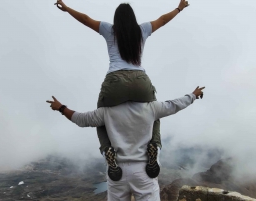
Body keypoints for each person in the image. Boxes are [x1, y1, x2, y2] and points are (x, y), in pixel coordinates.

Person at [54, 0, 190, 181]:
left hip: (114, 82)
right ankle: (154, 146)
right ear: (132, 18)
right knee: (155, 111)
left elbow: (86, 19)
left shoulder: (109, 30)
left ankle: (107, 149)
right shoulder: (142, 30)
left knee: (101, 116)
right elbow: (163, 20)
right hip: (140, 81)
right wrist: (179, 8)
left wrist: (67, 8)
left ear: (116, 18)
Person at [46, 86, 204, 201]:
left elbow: (80, 119)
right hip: (144, 171)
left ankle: (108, 153)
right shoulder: (151, 107)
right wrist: (193, 95)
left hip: (118, 172)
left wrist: (61, 107)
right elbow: (175, 105)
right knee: (156, 120)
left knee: (101, 126)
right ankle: (153, 148)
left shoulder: (106, 111)